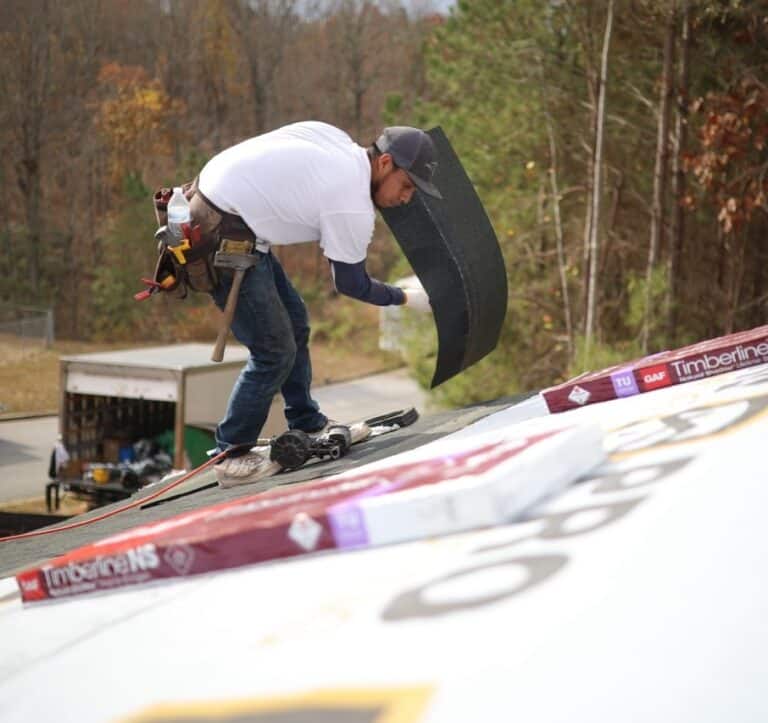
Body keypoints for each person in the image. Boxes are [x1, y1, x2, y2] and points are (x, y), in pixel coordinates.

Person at [184, 121, 442, 487]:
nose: (407, 198)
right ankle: (232, 455)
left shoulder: (337, 141)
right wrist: (405, 298)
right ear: (385, 163)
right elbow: (351, 284)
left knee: (296, 322)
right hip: (221, 231)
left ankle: (307, 421)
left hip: (226, 209)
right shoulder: (352, 205)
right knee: (274, 350)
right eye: (407, 186)